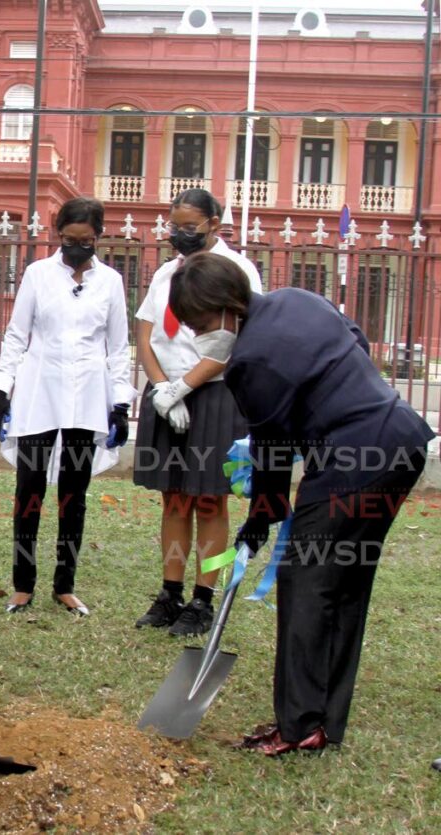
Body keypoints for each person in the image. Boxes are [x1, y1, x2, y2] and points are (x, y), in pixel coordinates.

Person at [168, 252, 434, 756]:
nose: (200, 335)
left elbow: (271, 448)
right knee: (344, 582)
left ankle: (299, 725)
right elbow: (352, 342)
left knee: (305, 580)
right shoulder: (298, 299)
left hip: (354, 458)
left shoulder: (249, 362)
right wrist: (265, 511)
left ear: (226, 306)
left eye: (200, 324)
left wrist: (261, 512)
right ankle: (323, 721)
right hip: (400, 442)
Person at [0, 197, 135, 618]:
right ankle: (22, 584)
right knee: (28, 490)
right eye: (69, 239)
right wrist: (1, 390)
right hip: (38, 392)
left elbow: (117, 347)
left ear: (98, 237)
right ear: (58, 235)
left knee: (74, 495)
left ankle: (65, 585)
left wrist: (120, 403)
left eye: (85, 241)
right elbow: (17, 336)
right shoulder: (38, 275)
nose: (76, 248)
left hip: (88, 396)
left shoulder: (111, 282)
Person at [133, 188, 264, 636]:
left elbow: (235, 342)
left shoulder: (238, 269)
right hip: (166, 395)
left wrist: (185, 386)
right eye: (174, 226)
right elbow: (145, 334)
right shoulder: (167, 272)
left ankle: (203, 600)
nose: (179, 234)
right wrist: (161, 388)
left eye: (189, 227)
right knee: (173, 499)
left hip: (214, 397)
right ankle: (170, 594)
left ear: (214, 222)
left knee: (211, 502)